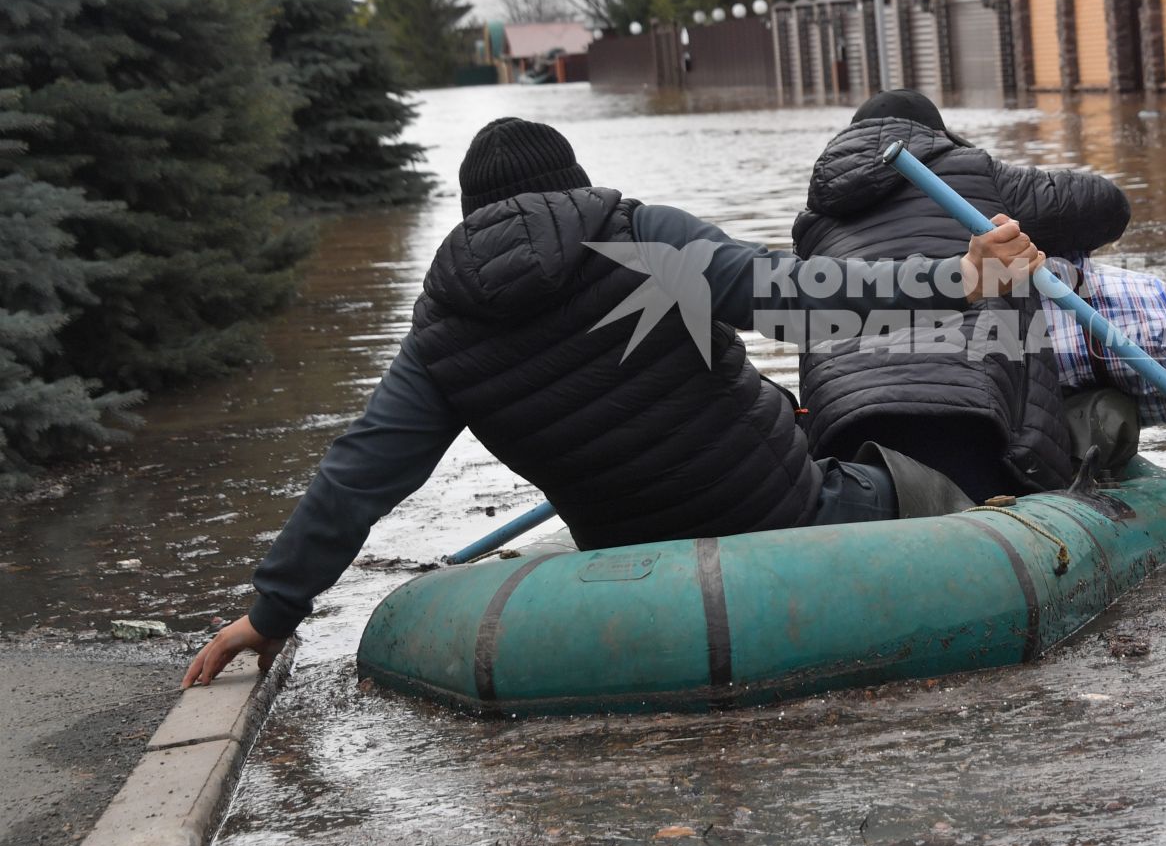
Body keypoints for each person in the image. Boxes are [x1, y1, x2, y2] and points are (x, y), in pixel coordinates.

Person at [184, 117, 1044, 687]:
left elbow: (357, 477)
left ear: (469, 216)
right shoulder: (645, 237)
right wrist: (961, 276)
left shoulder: (440, 333)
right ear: (574, 187)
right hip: (789, 513)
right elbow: (804, 295)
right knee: (925, 483)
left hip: (625, 569)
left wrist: (272, 610)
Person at [791, 90, 1131, 501]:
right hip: (979, 431)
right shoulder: (978, 174)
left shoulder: (812, 223)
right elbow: (1109, 206)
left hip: (844, 437)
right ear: (938, 137)